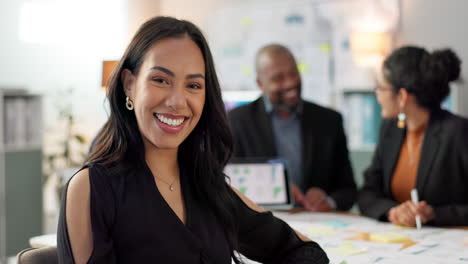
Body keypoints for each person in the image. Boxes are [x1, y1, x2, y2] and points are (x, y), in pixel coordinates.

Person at [57, 17, 329, 263]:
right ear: (130, 84)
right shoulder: (92, 189)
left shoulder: (208, 186)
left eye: (193, 85)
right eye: (161, 80)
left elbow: (305, 252)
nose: (177, 102)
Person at [228, 44, 356, 212]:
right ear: (261, 84)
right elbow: (226, 185)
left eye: (293, 73)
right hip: (258, 224)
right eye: (278, 78)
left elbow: (349, 189)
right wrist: (276, 192)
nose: (290, 83)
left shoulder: (330, 121)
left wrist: (329, 200)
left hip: (319, 225)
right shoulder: (236, 121)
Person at [358, 45, 468, 227]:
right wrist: (393, 211)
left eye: (381, 88)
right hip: (401, 244)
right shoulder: (390, 129)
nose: (377, 94)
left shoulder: (458, 131)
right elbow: (367, 193)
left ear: (402, 96)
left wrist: (435, 214)